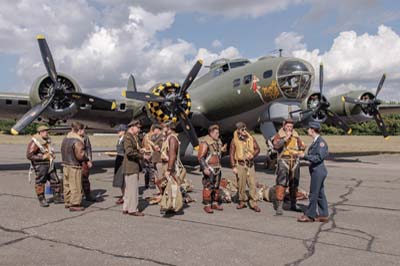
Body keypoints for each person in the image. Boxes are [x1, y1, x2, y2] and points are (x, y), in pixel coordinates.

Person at [272, 118, 305, 215]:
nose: (290, 128)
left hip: (295, 161)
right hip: (284, 161)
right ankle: (279, 206)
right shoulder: (279, 135)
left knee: (294, 183)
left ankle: (293, 204)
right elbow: (276, 146)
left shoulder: (296, 135)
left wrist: (302, 147)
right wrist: (285, 138)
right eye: (288, 126)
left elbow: (301, 146)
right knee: (281, 184)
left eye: (291, 126)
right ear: (284, 126)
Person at [297, 122, 329, 223]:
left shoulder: (321, 143)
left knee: (313, 193)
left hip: (318, 171)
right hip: (316, 170)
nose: (307, 130)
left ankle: (309, 215)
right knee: (320, 193)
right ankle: (323, 215)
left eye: (309, 128)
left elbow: (319, 157)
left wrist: (304, 156)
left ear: (312, 130)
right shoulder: (316, 141)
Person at [26, 125, 63, 207]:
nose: (47, 133)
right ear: (40, 132)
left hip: (50, 164)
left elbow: (49, 150)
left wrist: (52, 155)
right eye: (45, 131)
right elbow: (29, 155)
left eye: (47, 131)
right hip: (40, 166)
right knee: (40, 182)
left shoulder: (47, 140)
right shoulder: (35, 142)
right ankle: (42, 199)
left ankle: (57, 197)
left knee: (55, 180)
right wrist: (42, 157)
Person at [230, 121, 261, 212]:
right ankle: (242, 201)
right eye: (242, 129)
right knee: (241, 184)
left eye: (245, 129)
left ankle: (253, 202)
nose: (244, 131)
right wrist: (233, 166)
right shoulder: (234, 140)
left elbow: (258, 149)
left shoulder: (251, 138)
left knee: (252, 184)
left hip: (250, 164)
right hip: (240, 164)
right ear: (238, 130)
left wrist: (253, 155)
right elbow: (231, 153)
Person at [198, 124, 227, 214]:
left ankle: (214, 203)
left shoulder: (218, 142)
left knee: (216, 186)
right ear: (211, 133)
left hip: (217, 167)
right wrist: (204, 168)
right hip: (209, 168)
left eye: (218, 133)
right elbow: (200, 157)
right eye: (216, 133)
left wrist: (223, 151)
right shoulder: (205, 142)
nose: (218, 134)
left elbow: (218, 155)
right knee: (208, 186)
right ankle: (207, 205)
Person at [61, 122, 89, 211]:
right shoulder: (77, 141)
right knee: (76, 185)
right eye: (83, 130)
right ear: (80, 130)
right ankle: (75, 204)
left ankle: (68, 201)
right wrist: (86, 158)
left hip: (65, 165)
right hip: (74, 166)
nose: (84, 132)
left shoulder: (65, 139)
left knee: (67, 185)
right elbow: (80, 155)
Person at [122, 120, 145, 216]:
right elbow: (129, 152)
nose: (139, 130)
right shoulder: (128, 137)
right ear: (132, 127)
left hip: (130, 166)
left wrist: (141, 150)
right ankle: (133, 209)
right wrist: (142, 156)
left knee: (128, 189)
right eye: (138, 128)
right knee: (133, 189)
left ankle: (126, 207)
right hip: (131, 166)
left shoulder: (132, 137)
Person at [142, 124, 163, 189]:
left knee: (148, 170)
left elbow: (143, 143)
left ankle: (147, 184)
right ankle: (152, 184)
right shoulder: (152, 136)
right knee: (152, 170)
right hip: (151, 154)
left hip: (148, 154)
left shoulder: (146, 135)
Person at [79, 128, 96, 202]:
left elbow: (88, 148)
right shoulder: (72, 137)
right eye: (82, 130)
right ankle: (79, 195)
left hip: (84, 161)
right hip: (75, 161)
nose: (84, 132)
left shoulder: (85, 137)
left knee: (85, 178)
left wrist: (89, 160)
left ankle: (87, 195)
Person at [113, 124, 127, 204]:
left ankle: (125, 196)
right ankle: (123, 195)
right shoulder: (120, 139)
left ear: (123, 131)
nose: (117, 132)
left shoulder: (125, 139)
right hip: (118, 160)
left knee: (123, 180)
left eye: (119, 130)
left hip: (123, 161)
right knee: (120, 180)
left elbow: (126, 151)